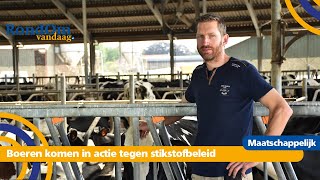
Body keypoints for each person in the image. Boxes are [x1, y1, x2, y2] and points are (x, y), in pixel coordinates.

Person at [139, 13, 293, 180]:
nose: (205, 42)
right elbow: (181, 108)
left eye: (212, 36)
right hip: (200, 169)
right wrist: (151, 123)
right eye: (200, 37)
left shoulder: (243, 71)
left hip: (233, 171)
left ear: (225, 39)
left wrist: (260, 152)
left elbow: (282, 109)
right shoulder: (198, 74)